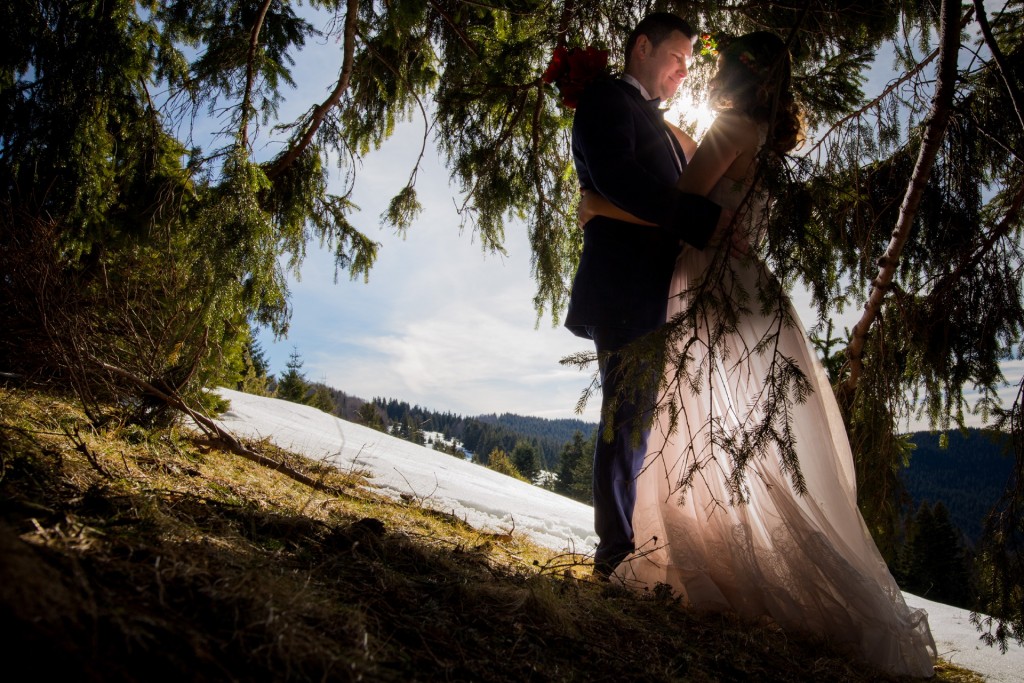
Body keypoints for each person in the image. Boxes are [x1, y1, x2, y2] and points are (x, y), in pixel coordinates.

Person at [580, 31, 937, 678]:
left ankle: (662, 550)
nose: (697, 73)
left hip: (705, 282)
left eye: (706, 64)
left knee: (690, 420)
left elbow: (679, 205)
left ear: (736, 76)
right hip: (753, 291)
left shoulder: (727, 129)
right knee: (737, 430)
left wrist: (597, 204)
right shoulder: (765, 137)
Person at [565, 12, 724, 580]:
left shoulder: (653, 118)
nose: (685, 71)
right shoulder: (607, 100)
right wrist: (703, 221)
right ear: (642, 48)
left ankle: (625, 548)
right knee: (625, 418)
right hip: (623, 284)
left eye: (689, 63)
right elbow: (618, 181)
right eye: (677, 57)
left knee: (637, 420)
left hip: (651, 290)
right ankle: (613, 558)